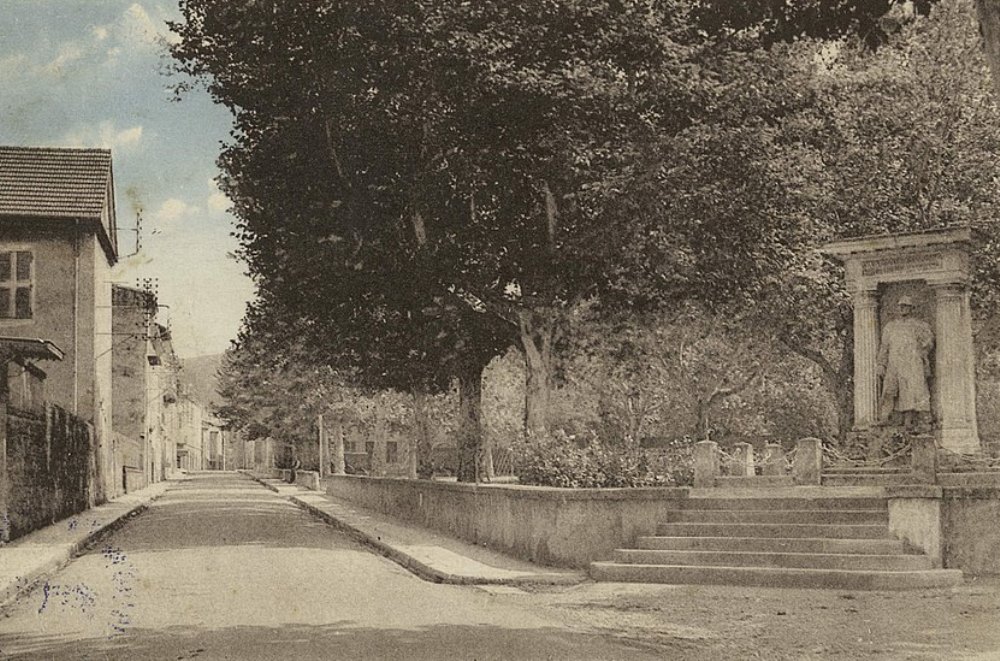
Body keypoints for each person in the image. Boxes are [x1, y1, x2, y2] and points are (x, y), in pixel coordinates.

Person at [877, 295, 934, 428]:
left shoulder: (919, 325)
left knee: (912, 391)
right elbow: (884, 347)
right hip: (894, 362)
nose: (902, 308)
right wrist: (881, 364)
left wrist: (921, 353)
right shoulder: (890, 327)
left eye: (906, 306)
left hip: (912, 363)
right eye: (901, 305)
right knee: (889, 389)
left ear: (911, 308)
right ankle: (885, 416)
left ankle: (912, 421)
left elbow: (928, 342)